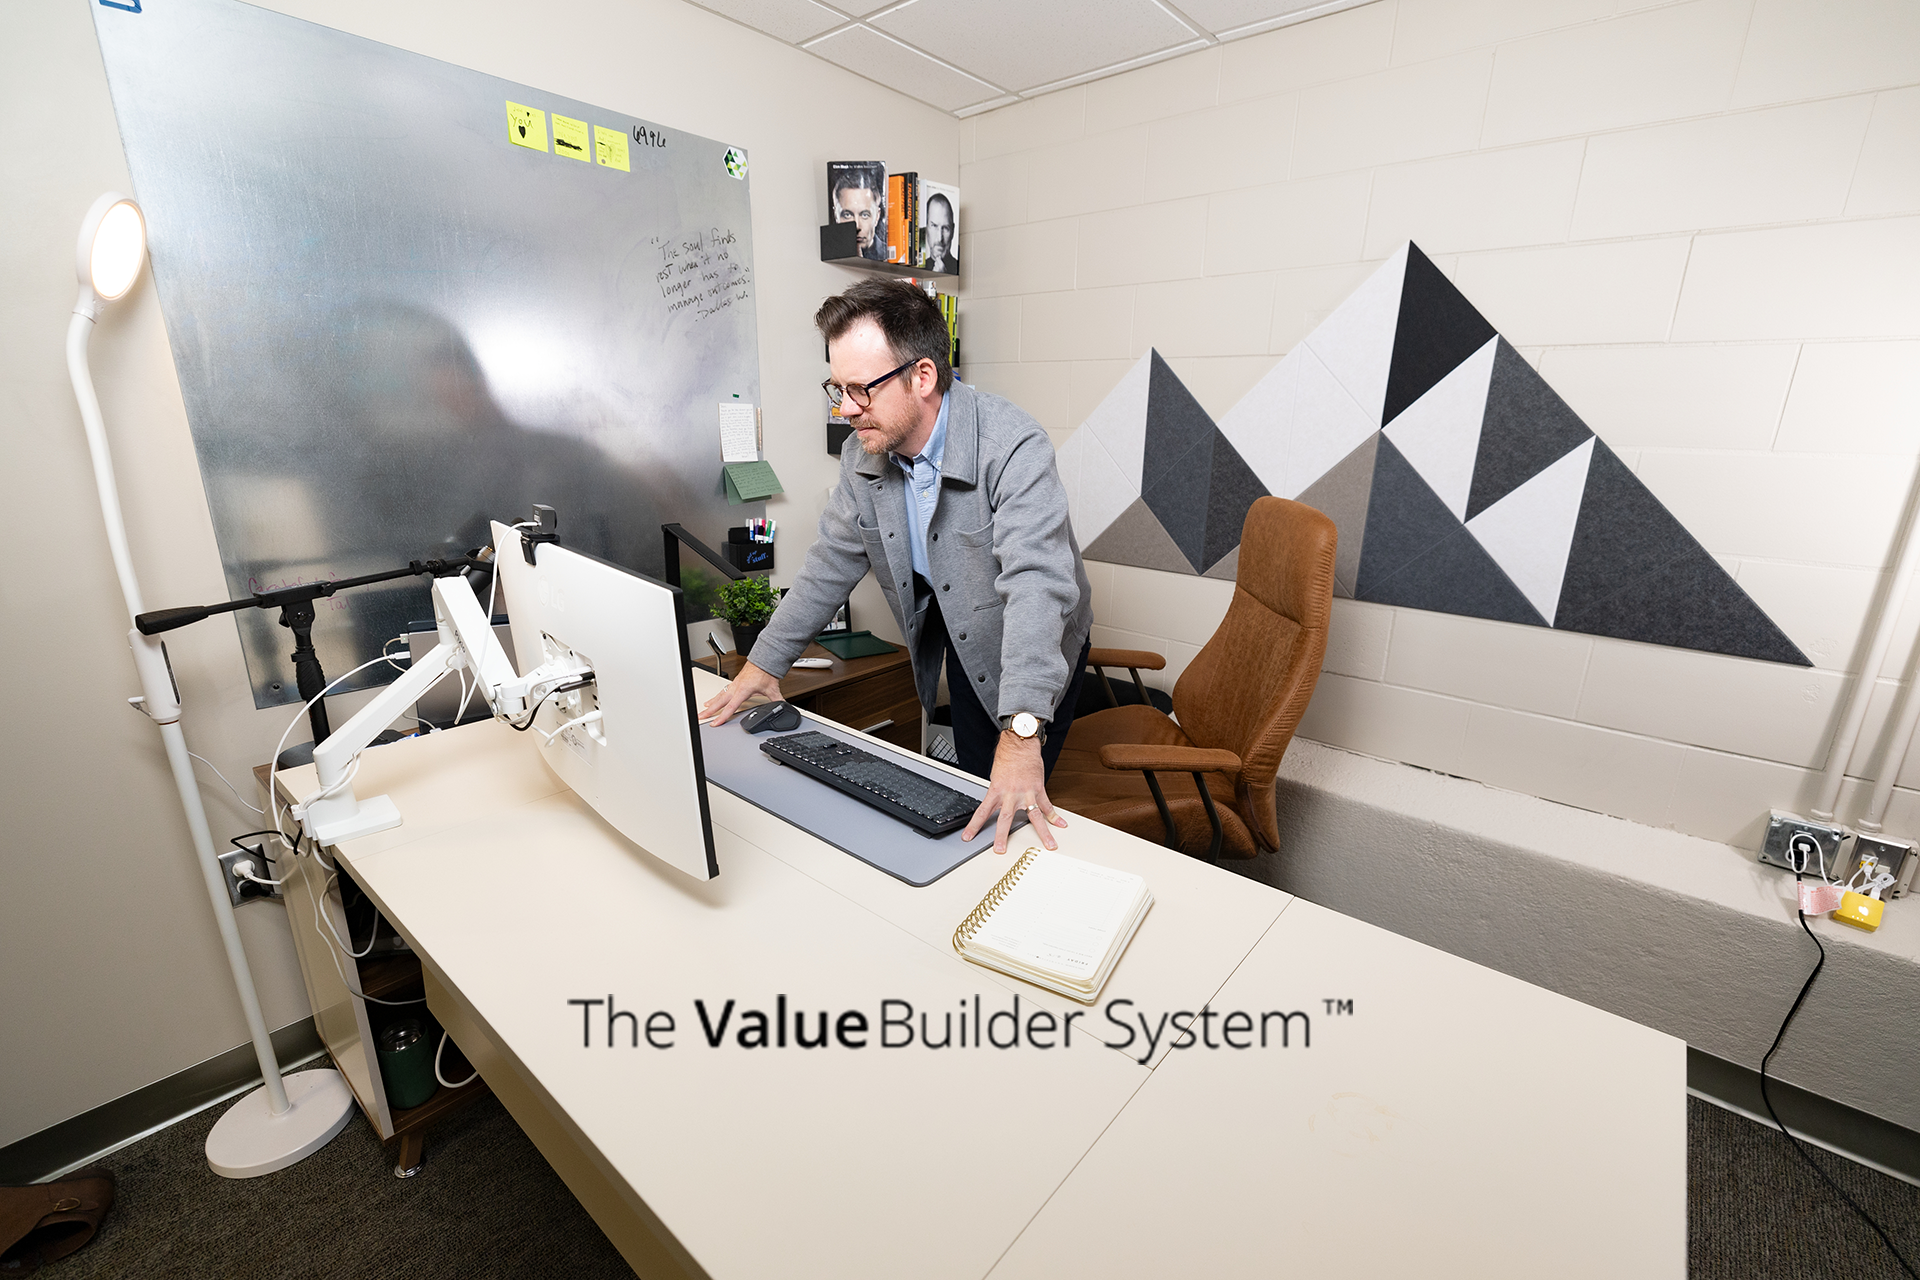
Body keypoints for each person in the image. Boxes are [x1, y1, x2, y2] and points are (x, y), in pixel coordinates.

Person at [701, 280, 1093, 853]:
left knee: (1007, 803)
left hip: (1035, 641)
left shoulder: (1013, 447)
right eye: (836, 388)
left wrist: (1022, 731)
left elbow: (1037, 588)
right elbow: (829, 564)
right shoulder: (865, 454)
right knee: (971, 786)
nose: (844, 409)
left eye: (860, 389)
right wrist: (763, 666)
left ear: (924, 376)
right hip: (965, 634)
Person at [831, 166, 888, 262]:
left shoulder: (888, 254)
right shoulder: (831, 251)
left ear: (877, 216)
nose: (856, 226)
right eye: (847, 215)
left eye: (864, 215)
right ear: (836, 215)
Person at [922, 191, 958, 274]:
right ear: (925, 228)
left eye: (945, 228)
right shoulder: (915, 269)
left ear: (953, 231)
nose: (939, 238)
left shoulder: (962, 270)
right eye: (934, 226)